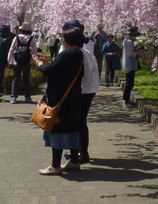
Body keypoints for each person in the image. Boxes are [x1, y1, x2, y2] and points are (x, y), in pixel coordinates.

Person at [35, 26, 85, 175]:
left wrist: (39, 64)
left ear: (69, 40)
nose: (62, 41)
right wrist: (48, 63)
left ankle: (55, 166)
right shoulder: (79, 54)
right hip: (73, 98)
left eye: (64, 38)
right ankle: (74, 162)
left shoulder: (67, 54)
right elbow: (61, 71)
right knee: (72, 129)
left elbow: (49, 71)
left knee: (57, 129)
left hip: (60, 99)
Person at [61, 19, 99, 164]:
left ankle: (82, 153)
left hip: (83, 89)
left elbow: (86, 69)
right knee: (79, 120)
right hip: (88, 87)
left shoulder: (78, 49)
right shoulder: (86, 44)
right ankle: (78, 150)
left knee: (79, 120)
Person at [8, 22, 38, 104]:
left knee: (15, 79)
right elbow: (35, 51)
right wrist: (35, 62)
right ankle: (27, 97)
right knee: (26, 79)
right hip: (27, 61)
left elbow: (11, 50)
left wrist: (10, 61)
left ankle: (13, 97)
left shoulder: (16, 37)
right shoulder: (32, 38)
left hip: (17, 61)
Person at [121, 26, 144, 108]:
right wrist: (139, 52)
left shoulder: (127, 40)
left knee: (129, 83)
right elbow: (131, 54)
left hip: (129, 64)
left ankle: (127, 100)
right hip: (129, 65)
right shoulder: (128, 42)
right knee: (129, 83)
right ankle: (126, 101)